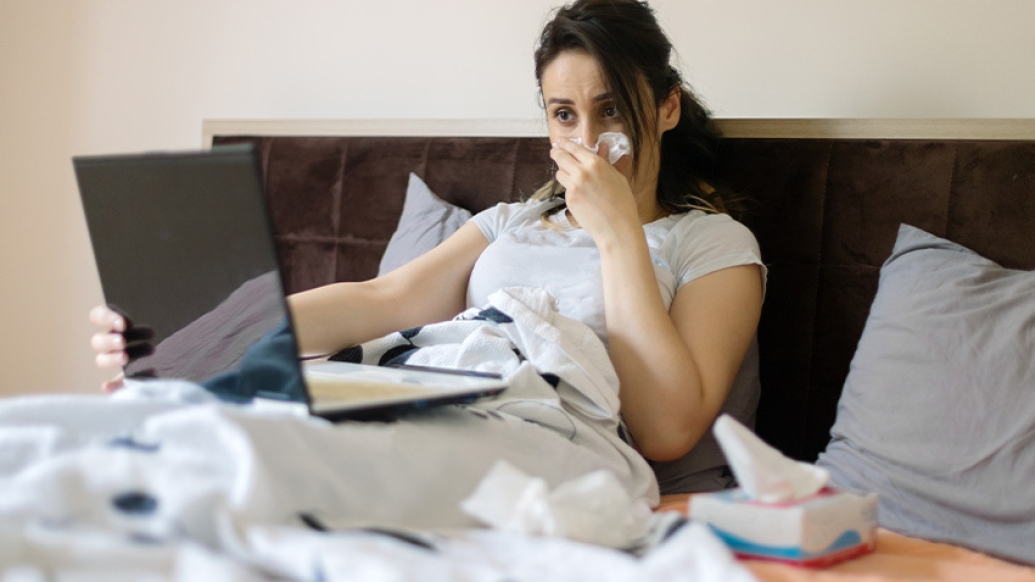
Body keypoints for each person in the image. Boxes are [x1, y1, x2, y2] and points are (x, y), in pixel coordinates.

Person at [90, 0, 764, 506]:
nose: (586, 140)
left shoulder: (710, 242)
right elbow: (382, 299)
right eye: (564, 114)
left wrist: (617, 232)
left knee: (302, 469)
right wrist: (194, 338)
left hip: (546, 434)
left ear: (667, 107)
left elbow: (666, 430)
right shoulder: (512, 222)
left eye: (611, 110)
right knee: (225, 432)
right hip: (442, 388)